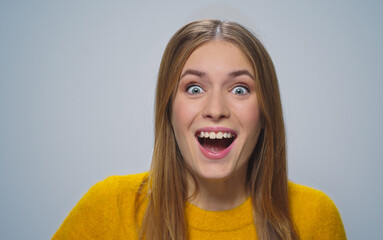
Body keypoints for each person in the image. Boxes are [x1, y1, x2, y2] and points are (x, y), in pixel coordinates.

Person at [52, 19, 346, 240]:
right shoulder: (110, 207)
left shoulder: (314, 216)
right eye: (194, 88)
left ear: (265, 111)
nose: (215, 108)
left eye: (240, 89)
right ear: (169, 109)